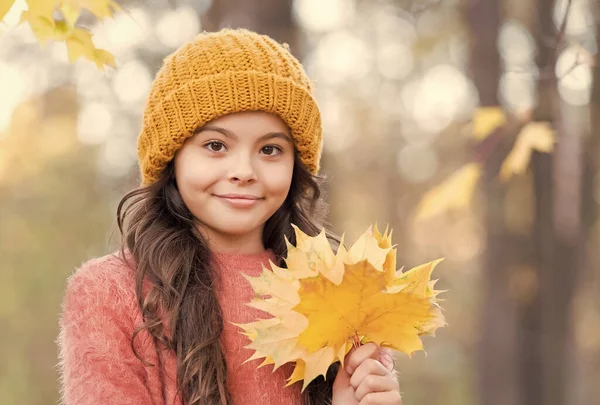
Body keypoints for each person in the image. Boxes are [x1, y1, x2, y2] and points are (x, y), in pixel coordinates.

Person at [57, 28, 402, 405]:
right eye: (216, 145)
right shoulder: (112, 293)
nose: (244, 170)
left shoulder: (343, 294)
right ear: (172, 157)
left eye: (270, 149)